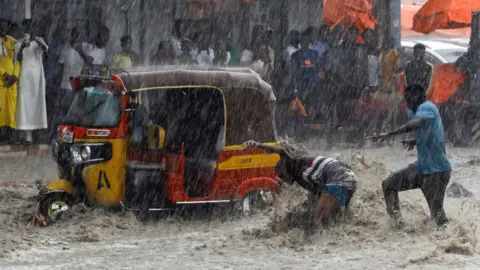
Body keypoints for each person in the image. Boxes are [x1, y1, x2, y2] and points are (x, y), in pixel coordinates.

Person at [369, 84, 452, 227]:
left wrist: (389, 134)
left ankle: (455, 242)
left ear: (415, 97)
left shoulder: (425, 107)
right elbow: (433, 134)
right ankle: (398, 226)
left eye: (408, 99)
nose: (407, 103)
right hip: (423, 168)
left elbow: (415, 123)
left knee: (438, 218)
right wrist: (415, 141)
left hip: (436, 172)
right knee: (388, 184)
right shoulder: (428, 109)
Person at [243, 140, 357, 229]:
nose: (283, 180)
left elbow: (281, 151)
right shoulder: (303, 170)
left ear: (287, 169)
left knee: (317, 221)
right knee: (337, 218)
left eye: (282, 176)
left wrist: (258, 145)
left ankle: (321, 253)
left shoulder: (296, 165)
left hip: (338, 179)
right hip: (349, 178)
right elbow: (318, 193)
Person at [15, 19, 48, 144]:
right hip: (24, 76)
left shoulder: (39, 40)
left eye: (30, 27)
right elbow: (17, 59)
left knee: (35, 104)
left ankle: (31, 135)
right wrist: (22, 46)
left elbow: (46, 49)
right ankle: (23, 135)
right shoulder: (18, 42)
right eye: (25, 27)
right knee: (23, 103)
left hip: (36, 78)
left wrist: (36, 39)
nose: (28, 29)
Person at [52, 26, 88, 140]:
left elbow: (89, 63)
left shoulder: (85, 48)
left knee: (77, 114)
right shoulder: (65, 49)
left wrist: (81, 52)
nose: (77, 37)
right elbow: (60, 67)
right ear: (72, 36)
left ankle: (75, 136)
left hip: (78, 87)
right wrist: (57, 84)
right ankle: (63, 137)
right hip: (65, 86)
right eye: (75, 35)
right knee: (64, 113)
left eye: (79, 35)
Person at [0, 18, 20, 132]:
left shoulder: (13, 42)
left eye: (5, 26)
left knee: (11, 112)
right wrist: (5, 74)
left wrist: (14, 76)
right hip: (1, 81)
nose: (3, 29)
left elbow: (17, 61)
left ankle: (8, 135)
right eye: (1, 26)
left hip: (12, 83)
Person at [291, 31, 319, 107]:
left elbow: (318, 69)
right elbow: (293, 73)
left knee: (312, 108)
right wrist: (295, 89)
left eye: (306, 40)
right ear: (300, 41)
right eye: (302, 40)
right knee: (301, 108)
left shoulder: (314, 53)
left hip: (312, 86)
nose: (304, 42)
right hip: (301, 86)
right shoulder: (295, 55)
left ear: (309, 41)